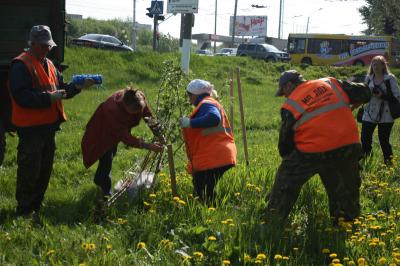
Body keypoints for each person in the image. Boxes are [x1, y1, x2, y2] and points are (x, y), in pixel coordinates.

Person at [9, 25, 95, 218]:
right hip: (31, 129)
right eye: (44, 46)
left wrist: (79, 86)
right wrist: (48, 98)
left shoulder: (49, 64)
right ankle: (23, 210)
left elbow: (62, 90)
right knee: (29, 171)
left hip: (48, 127)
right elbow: (21, 96)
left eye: (49, 45)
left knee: (44, 170)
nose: (48, 49)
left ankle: (36, 206)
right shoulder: (20, 65)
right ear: (33, 44)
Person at [267, 70, 371, 224]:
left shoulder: (291, 104)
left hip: (312, 151)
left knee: (286, 180)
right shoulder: (330, 83)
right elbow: (365, 92)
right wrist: (355, 104)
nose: (285, 96)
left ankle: (272, 222)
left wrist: (289, 161)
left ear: (289, 85)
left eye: (283, 92)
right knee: (345, 190)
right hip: (347, 145)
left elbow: (285, 143)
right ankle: (345, 225)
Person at [81, 87, 164, 198]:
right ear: (125, 107)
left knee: (111, 154)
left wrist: (159, 134)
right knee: (106, 157)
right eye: (135, 112)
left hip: (116, 133)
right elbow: (125, 137)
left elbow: (148, 115)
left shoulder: (138, 98)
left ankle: (100, 179)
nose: (138, 113)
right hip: (102, 133)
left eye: (140, 110)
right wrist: (148, 146)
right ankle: (106, 192)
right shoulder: (112, 110)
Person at [180, 79, 237, 203]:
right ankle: (215, 212)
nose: (189, 99)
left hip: (214, 156)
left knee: (203, 190)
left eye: (189, 96)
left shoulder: (206, 104)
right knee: (203, 187)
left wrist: (190, 123)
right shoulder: (209, 103)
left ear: (195, 95)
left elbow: (213, 118)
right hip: (219, 154)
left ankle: (212, 215)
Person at [360, 55, 400, 165]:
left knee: (384, 141)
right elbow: (364, 95)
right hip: (369, 113)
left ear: (383, 66)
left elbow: (397, 97)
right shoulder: (368, 78)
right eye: (374, 64)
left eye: (378, 64)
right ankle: (367, 160)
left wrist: (382, 95)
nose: (376, 66)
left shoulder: (390, 78)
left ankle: (389, 163)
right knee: (365, 139)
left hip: (386, 114)